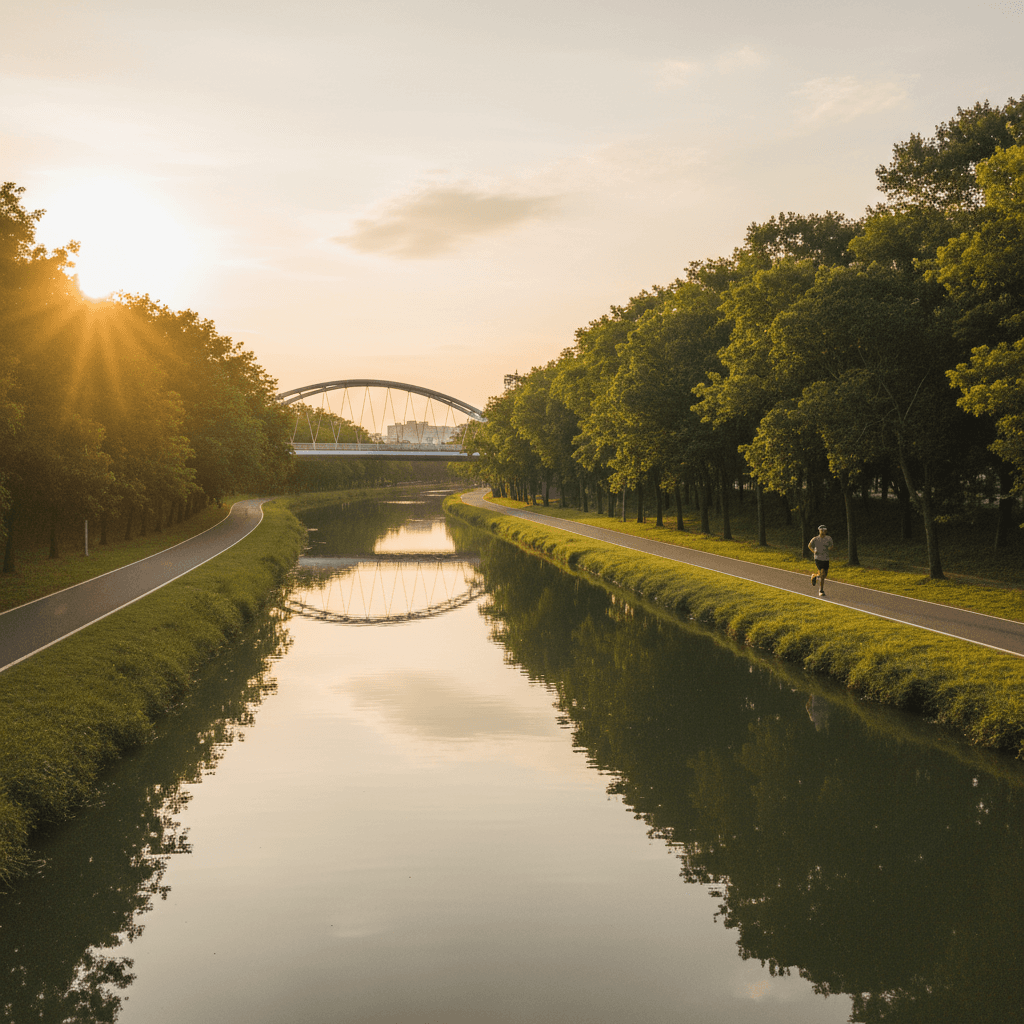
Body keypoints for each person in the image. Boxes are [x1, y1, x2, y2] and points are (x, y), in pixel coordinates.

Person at [808, 525, 833, 596]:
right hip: (818, 558)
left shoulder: (829, 538)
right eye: (821, 530)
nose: (823, 532)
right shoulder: (815, 539)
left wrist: (830, 548)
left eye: (824, 530)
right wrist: (813, 551)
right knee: (822, 573)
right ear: (819, 531)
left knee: (824, 575)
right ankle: (821, 590)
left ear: (826, 531)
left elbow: (831, 546)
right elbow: (809, 546)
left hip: (826, 558)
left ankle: (815, 576)